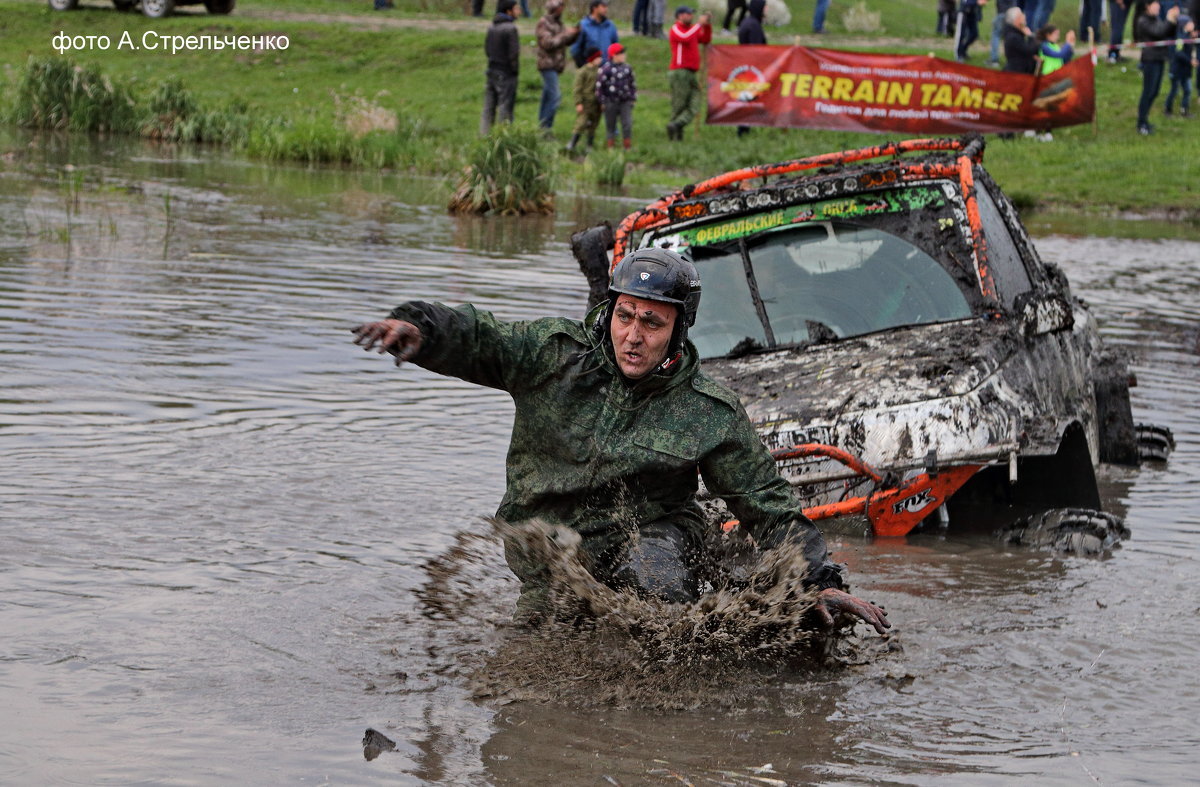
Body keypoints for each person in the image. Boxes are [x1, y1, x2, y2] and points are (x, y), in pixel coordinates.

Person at [350, 248, 892, 635]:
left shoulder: (708, 412)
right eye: (625, 316)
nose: (633, 336)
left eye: (652, 323)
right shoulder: (552, 356)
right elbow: (479, 335)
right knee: (528, 675)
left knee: (656, 589)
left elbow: (768, 507)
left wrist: (819, 581)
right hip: (552, 554)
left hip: (651, 536)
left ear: (680, 330)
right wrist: (419, 328)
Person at [666, 5, 713, 141]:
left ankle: (676, 125)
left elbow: (705, 39)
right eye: (688, 14)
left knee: (695, 103)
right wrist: (699, 24)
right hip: (679, 71)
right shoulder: (676, 29)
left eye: (692, 14)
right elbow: (685, 37)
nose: (691, 16)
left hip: (691, 72)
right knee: (679, 105)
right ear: (680, 16)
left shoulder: (692, 30)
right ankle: (676, 135)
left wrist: (707, 25)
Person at [536, 0, 580, 133]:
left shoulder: (559, 23)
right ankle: (546, 130)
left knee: (547, 97)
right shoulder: (543, 23)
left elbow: (564, 41)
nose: (562, 9)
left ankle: (541, 128)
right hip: (547, 65)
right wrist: (566, 34)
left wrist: (574, 34)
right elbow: (548, 43)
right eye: (560, 7)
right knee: (555, 97)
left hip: (556, 65)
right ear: (554, 8)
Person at [1136, 0, 1180, 134]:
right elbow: (1159, 32)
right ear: (1147, 6)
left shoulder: (1156, 19)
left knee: (1154, 91)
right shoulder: (1143, 21)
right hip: (1150, 60)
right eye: (1156, 4)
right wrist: (1168, 19)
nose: (1158, 7)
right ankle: (1141, 123)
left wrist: (1173, 21)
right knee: (1148, 91)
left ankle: (1145, 120)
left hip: (1160, 58)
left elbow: (1167, 32)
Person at [480, 0, 521, 136]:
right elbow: (513, 53)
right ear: (508, 11)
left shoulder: (492, 27)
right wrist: (514, 70)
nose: (519, 11)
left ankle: (484, 136)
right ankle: (502, 137)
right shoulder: (511, 29)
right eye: (516, 9)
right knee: (505, 107)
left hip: (491, 70)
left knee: (488, 108)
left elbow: (487, 49)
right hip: (506, 73)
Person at [596, 42, 638, 149]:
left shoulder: (627, 68)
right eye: (621, 53)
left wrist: (633, 98)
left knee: (627, 124)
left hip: (625, 101)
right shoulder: (605, 69)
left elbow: (632, 84)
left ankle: (627, 146)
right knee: (610, 125)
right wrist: (602, 101)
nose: (624, 55)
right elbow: (600, 87)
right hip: (610, 101)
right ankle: (611, 147)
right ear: (614, 55)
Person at [736, 0, 767, 137]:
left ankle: (745, 127)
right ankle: (743, 129)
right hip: (751, 68)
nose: (766, 10)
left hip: (747, 66)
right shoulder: (753, 25)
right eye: (764, 7)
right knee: (748, 98)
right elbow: (756, 49)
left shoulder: (749, 22)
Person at [567, 47, 603, 153]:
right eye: (598, 57)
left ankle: (589, 145)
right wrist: (578, 102)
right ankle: (572, 143)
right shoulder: (582, 72)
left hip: (597, 103)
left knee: (594, 124)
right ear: (593, 58)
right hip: (586, 103)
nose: (600, 59)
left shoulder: (600, 71)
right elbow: (577, 89)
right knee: (581, 123)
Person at [1164, 12, 1197, 116]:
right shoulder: (1180, 38)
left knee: (1187, 90)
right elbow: (1178, 53)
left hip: (1185, 70)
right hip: (1177, 69)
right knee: (1174, 91)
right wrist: (1190, 60)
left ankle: (1184, 110)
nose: (1193, 24)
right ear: (1184, 25)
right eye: (1190, 23)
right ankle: (1167, 109)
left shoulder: (1188, 35)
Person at [571, 0, 620, 66]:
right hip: (591, 70)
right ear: (595, 8)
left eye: (606, 6)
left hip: (608, 69)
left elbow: (616, 47)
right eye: (603, 6)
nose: (606, 9)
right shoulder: (583, 25)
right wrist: (584, 66)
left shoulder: (610, 25)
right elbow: (575, 49)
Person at [1003, 6, 1040, 72]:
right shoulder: (1013, 37)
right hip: (1017, 73)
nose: (1024, 16)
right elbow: (1030, 50)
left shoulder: (1016, 33)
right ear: (1016, 20)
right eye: (1021, 15)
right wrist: (1030, 36)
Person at [989, 0, 1019, 66]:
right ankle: (1011, 60)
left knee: (996, 35)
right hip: (1012, 14)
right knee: (1009, 37)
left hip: (1002, 12)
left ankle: (994, 60)